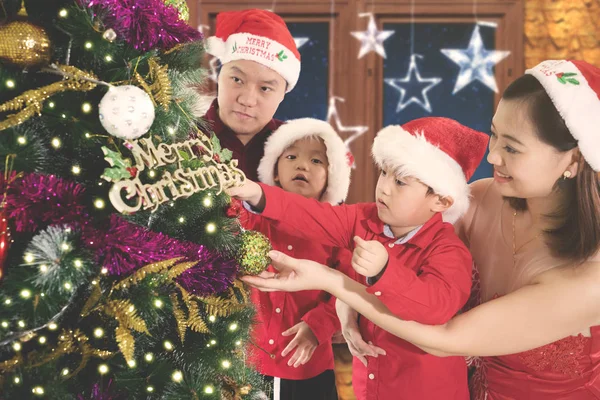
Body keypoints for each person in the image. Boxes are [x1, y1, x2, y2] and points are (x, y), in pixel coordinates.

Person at [240, 59, 600, 399]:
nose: (492, 157)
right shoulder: (480, 199)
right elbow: (399, 262)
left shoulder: (591, 278)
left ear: (573, 160)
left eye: (512, 148)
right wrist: (344, 307)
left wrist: (335, 285)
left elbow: (441, 335)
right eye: (494, 136)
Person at [229, 117, 490, 400]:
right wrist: (256, 193)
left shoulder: (449, 252)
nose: (384, 188)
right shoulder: (363, 219)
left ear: (440, 200)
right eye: (384, 174)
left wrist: (384, 272)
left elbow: (434, 308)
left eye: (400, 181)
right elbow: (313, 216)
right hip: (368, 387)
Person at [242, 118, 352, 400]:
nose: (302, 165)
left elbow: (350, 288)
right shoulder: (251, 219)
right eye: (291, 156)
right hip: (250, 360)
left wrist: (319, 326)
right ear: (275, 170)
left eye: (317, 161)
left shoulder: (338, 231)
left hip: (308, 364)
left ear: (332, 176)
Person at [201, 8, 301, 181]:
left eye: (265, 89)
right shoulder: (180, 139)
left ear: (283, 94)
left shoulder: (297, 149)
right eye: (237, 80)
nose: (247, 100)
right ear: (219, 76)